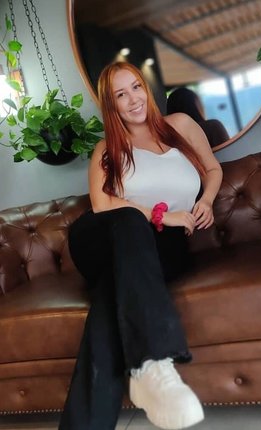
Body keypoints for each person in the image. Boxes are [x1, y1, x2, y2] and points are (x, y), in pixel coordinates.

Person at [58, 62, 222, 430]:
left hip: (163, 249)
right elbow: (102, 206)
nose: (133, 99)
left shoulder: (180, 125)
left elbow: (213, 169)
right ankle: (153, 361)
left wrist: (207, 201)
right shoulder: (106, 149)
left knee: (109, 299)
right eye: (121, 94)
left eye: (135, 87)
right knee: (131, 221)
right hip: (103, 240)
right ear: (111, 105)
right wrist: (161, 215)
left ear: (145, 87)